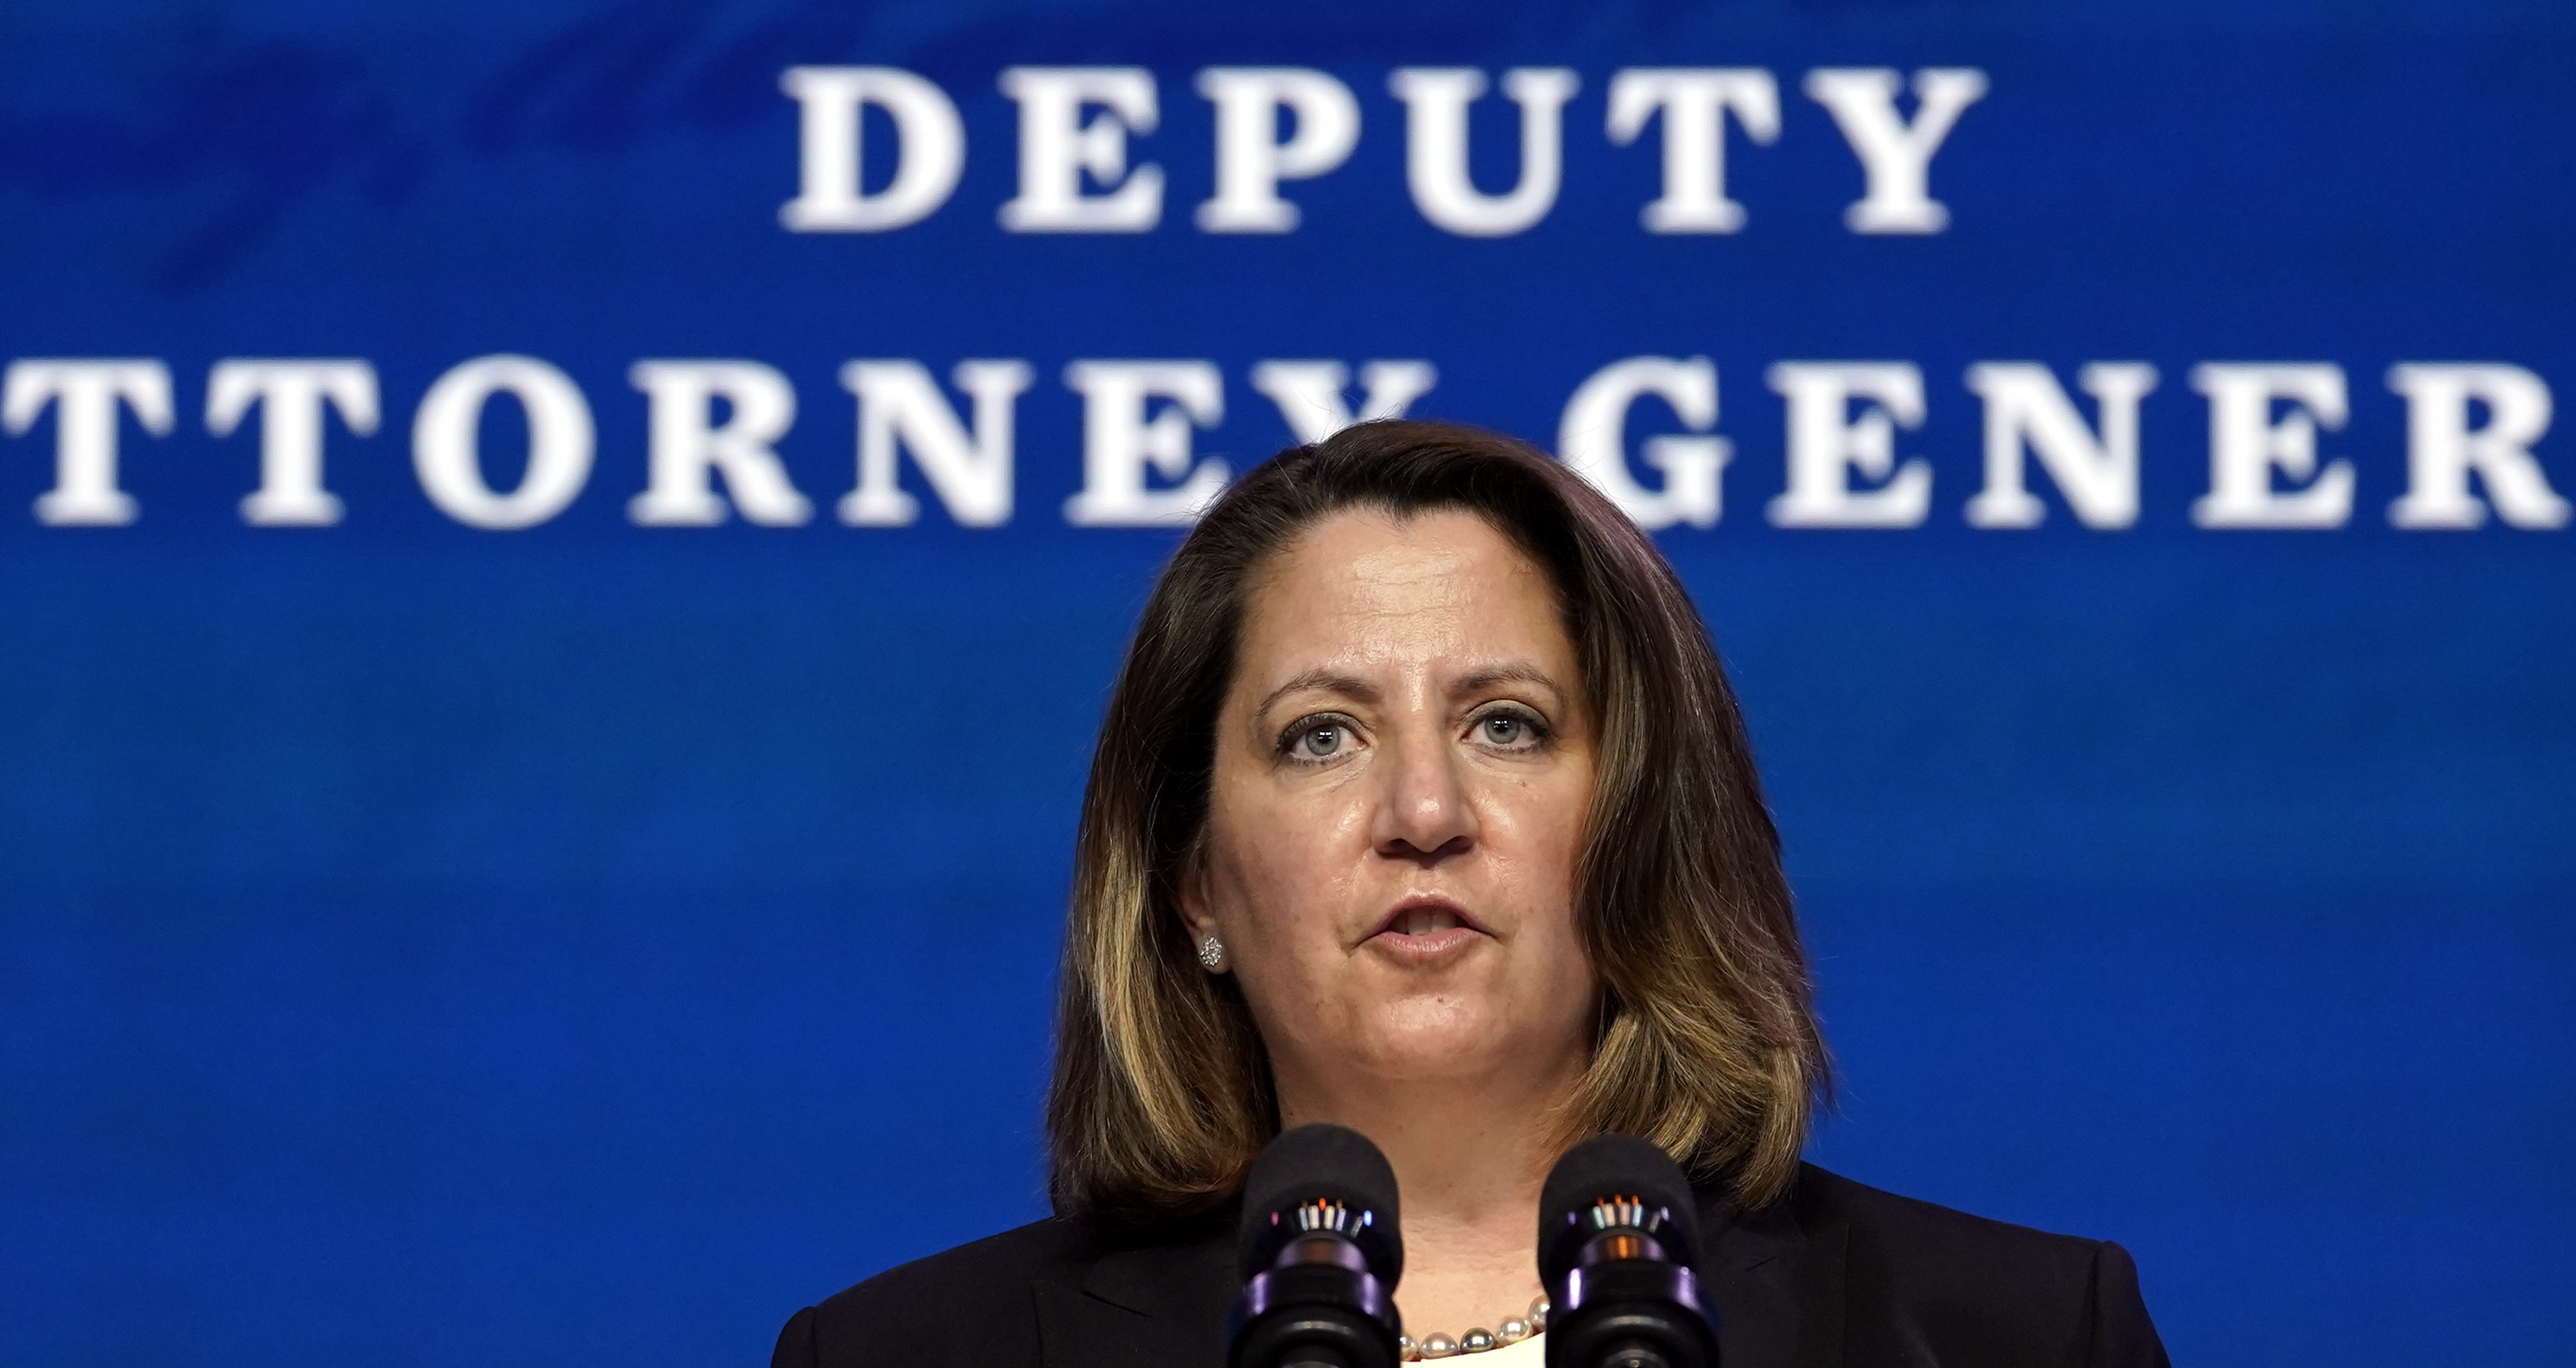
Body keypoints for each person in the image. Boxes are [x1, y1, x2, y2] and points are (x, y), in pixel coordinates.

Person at [770, 420, 2171, 1367]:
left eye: (1506, 723)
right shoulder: (912, 1355)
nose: (1424, 816)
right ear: (1195, 886)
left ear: (1639, 821)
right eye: (1321, 737)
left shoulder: (2015, 1337)